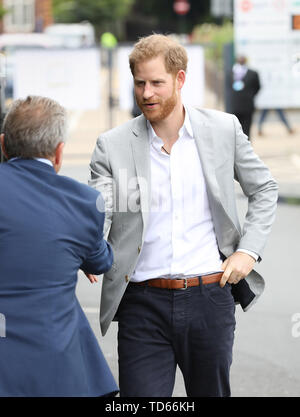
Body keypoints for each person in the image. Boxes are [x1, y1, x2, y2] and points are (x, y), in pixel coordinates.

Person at [89, 34, 278, 397]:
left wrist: (247, 251)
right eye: (140, 83)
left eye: (157, 82)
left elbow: (265, 189)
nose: (146, 93)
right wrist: (88, 244)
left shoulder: (224, 130)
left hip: (210, 296)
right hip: (141, 302)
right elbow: (102, 207)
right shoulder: (112, 145)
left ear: (180, 79)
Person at [0, 96, 118, 397]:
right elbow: (100, 261)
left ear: (3, 145)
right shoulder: (82, 202)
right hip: (54, 363)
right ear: (59, 153)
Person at [229, 55, 260, 139]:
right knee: (234, 129)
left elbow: (257, 87)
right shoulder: (230, 72)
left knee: (247, 130)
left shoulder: (253, 73)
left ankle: (246, 149)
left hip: (247, 106)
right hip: (234, 106)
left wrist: (250, 96)